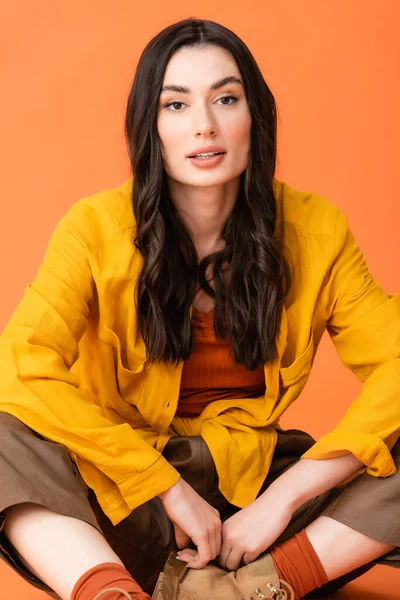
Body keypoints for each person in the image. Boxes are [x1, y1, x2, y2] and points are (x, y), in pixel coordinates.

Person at [0, 16, 399, 600]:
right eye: (177, 105)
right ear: (149, 126)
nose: (205, 126)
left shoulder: (317, 230)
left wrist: (282, 501)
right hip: (125, 503)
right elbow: (23, 371)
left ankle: (256, 588)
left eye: (226, 99)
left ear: (255, 117)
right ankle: (111, 590)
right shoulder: (92, 229)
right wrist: (162, 484)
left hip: (259, 512)